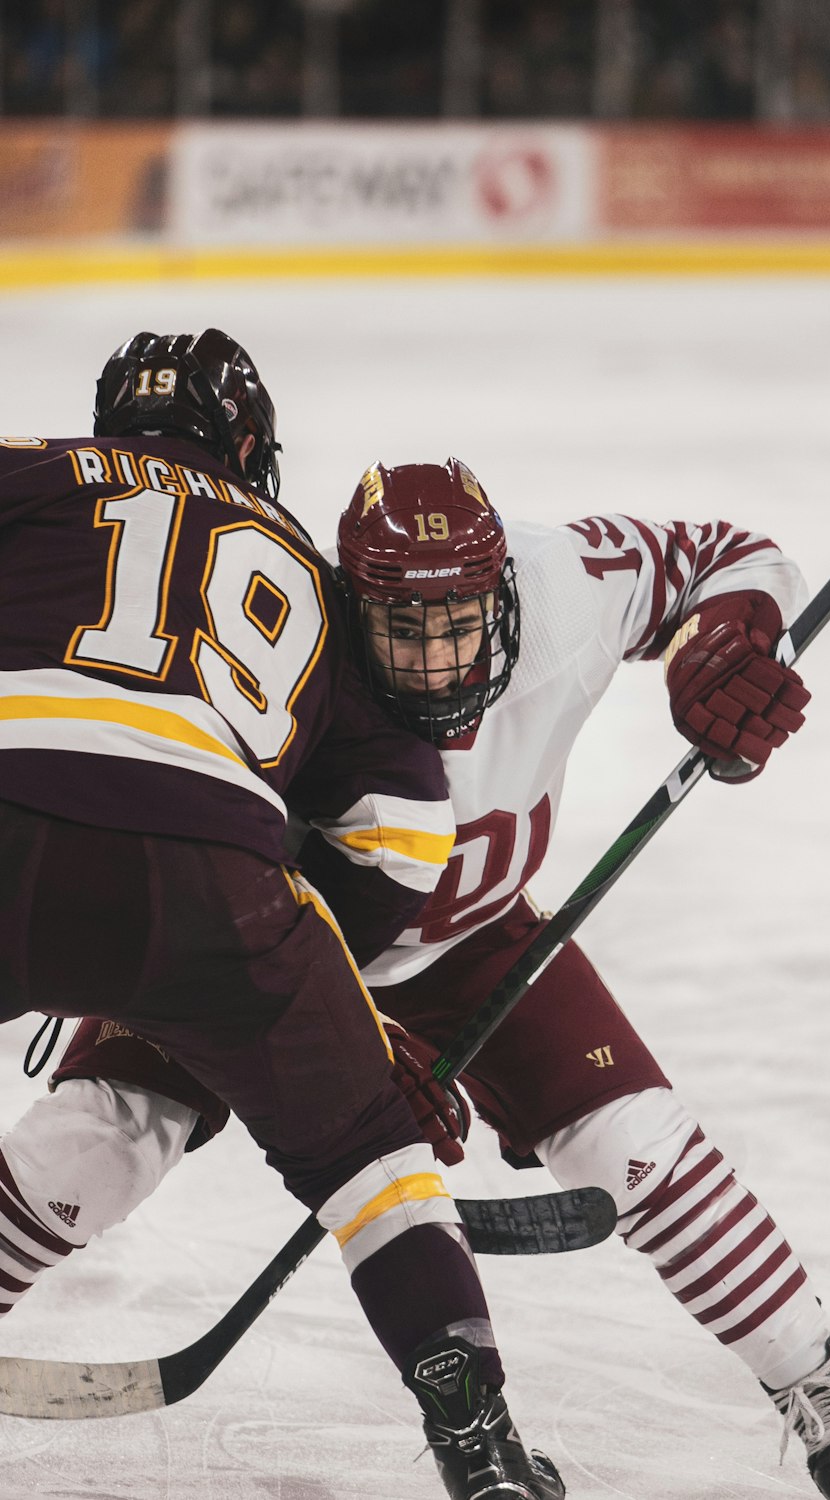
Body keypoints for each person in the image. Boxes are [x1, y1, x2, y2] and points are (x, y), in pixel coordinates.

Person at [2, 451, 830, 1500]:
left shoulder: (568, 583)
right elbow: (212, 882)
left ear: (504, 596)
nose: (436, 662)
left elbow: (733, 556)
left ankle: (818, 1379)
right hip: (276, 947)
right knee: (100, 1132)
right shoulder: (295, 640)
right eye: (404, 630)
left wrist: (725, 648)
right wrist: (370, 1058)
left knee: (636, 1141)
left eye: (459, 625)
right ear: (351, 603)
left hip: (473, 938)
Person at [0, 351, 565, 1500]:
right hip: (215, 873)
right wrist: (309, 996)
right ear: (252, 452)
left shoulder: (39, 471)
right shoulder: (307, 570)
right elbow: (406, 831)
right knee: (374, 1155)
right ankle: (479, 1439)